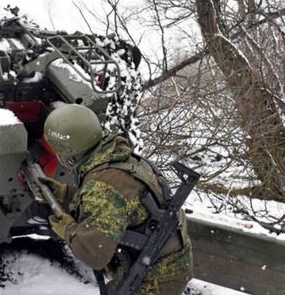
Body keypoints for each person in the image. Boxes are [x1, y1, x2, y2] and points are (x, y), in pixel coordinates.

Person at [42, 104, 193, 294]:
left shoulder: (104, 184)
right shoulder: (115, 156)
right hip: (164, 261)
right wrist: (65, 194)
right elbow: (116, 205)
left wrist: (67, 230)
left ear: (67, 152)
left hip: (154, 276)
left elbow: (95, 253)